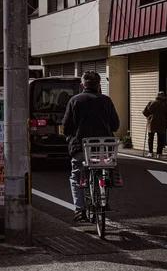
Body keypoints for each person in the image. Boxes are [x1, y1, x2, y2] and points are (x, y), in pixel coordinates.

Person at [62, 71, 120, 222]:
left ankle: (80, 210)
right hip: (105, 149)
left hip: (81, 148)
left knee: (76, 177)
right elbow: (115, 125)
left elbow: (67, 127)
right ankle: (106, 182)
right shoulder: (106, 101)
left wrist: (69, 135)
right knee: (104, 168)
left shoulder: (75, 100)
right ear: (99, 85)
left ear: (82, 85)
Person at [142, 91, 167, 159]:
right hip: (161, 123)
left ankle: (150, 152)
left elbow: (145, 112)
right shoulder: (164, 105)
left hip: (152, 122)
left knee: (150, 138)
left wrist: (148, 117)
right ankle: (159, 153)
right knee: (160, 139)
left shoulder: (151, 103)